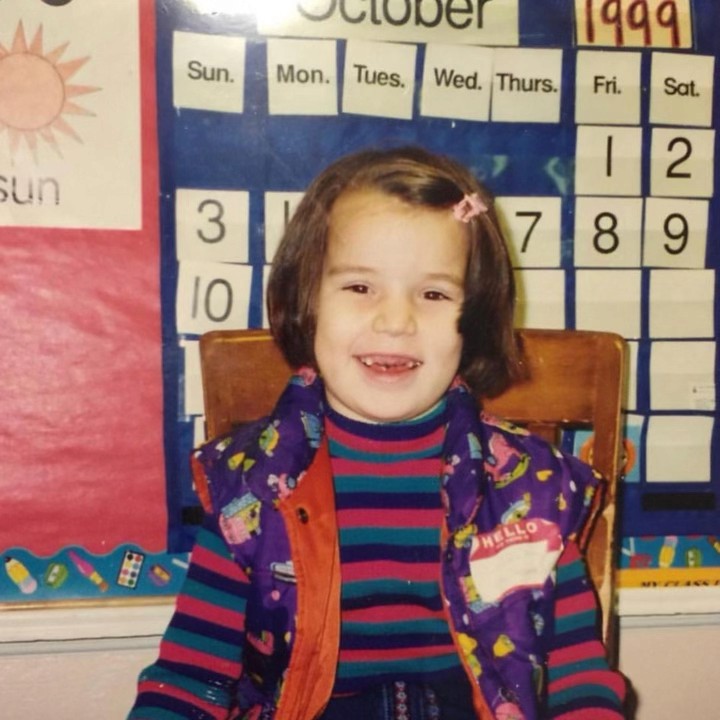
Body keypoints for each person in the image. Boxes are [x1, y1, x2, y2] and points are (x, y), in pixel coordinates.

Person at [129, 147, 626, 720]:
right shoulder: (252, 488)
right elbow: (191, 680)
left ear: (477, 320)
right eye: (360, 287)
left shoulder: (529, 488)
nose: (395, 321)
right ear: (306, 303)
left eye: (434, 294)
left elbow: (577, 677)